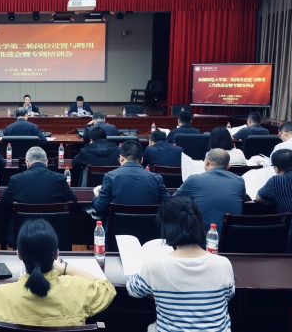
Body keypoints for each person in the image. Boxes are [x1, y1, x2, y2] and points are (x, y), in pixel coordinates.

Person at [0, 219, 116, 332]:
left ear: (19, 255)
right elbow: (107, 288)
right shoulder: (78, 289)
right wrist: (65, 267)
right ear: (56, 255)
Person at [126, 196, 235, 332]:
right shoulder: (223, 264)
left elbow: (133, 290)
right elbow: (228, 295)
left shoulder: (155, 264)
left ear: (166, 228)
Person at [0, 147, 77, 246]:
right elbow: (74, 203)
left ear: (27, 163)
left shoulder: (16, 180)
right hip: (54, 234)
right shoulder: (60, 179)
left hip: (22, 235)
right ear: (46, 163)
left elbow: (3, 202)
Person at [174, 148, 246, 233]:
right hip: (232, 237)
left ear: (207, 162)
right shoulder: (239, 181)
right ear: (228, 167)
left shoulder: (194, 180)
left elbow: (172, 202)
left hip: (201, 237)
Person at [92, 141, 169, 217]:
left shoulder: (110, 177)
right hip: (149, 225)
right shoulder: (156, 178)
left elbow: (100, 208)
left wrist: (97, 195)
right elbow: (168, 206)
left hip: (118, 225)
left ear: (121, 158)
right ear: (141, 160)